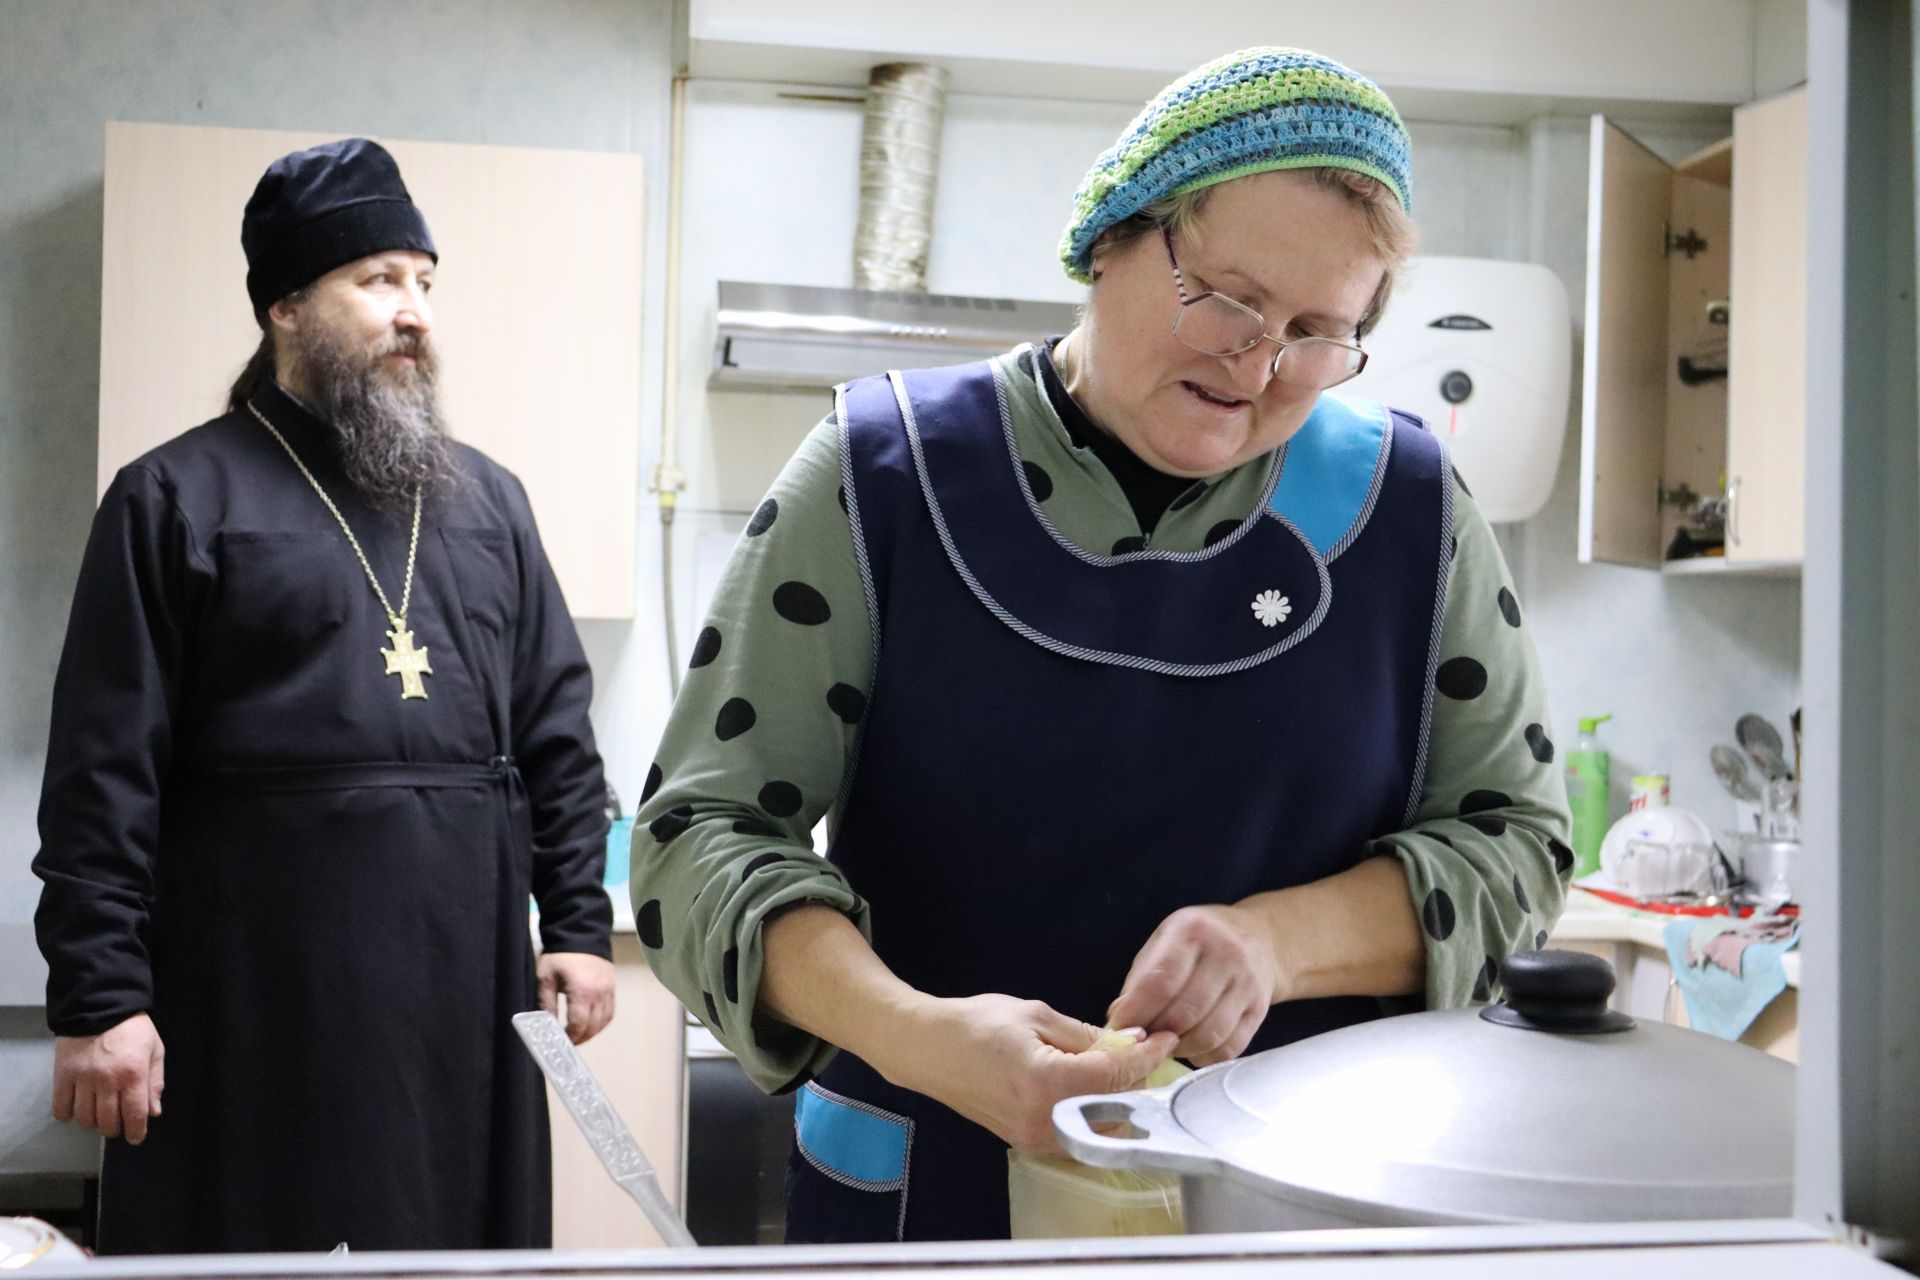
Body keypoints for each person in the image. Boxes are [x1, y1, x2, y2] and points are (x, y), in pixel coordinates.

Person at [633, 48, 1573, 1243]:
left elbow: (1518, 847)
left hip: (1291, 1206)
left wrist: (1273, 944)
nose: (1259, 363)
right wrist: (915, 1031)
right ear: (1113, 239)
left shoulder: (1411, 506)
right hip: (929, 1194)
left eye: (1317, 331)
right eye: (1227, 298)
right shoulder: (883, 477)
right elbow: (695, 841)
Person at [32, 138, 616, 1255]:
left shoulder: (489, 501)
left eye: (426, 282)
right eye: (379, 279)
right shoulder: (176, 497)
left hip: (463, 980)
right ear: (286, 305)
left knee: (452, 1238)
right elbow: (103, 770)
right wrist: (100, 996)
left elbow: (556, 732)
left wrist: (580, 923)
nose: (416, 313)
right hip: (250, 986)